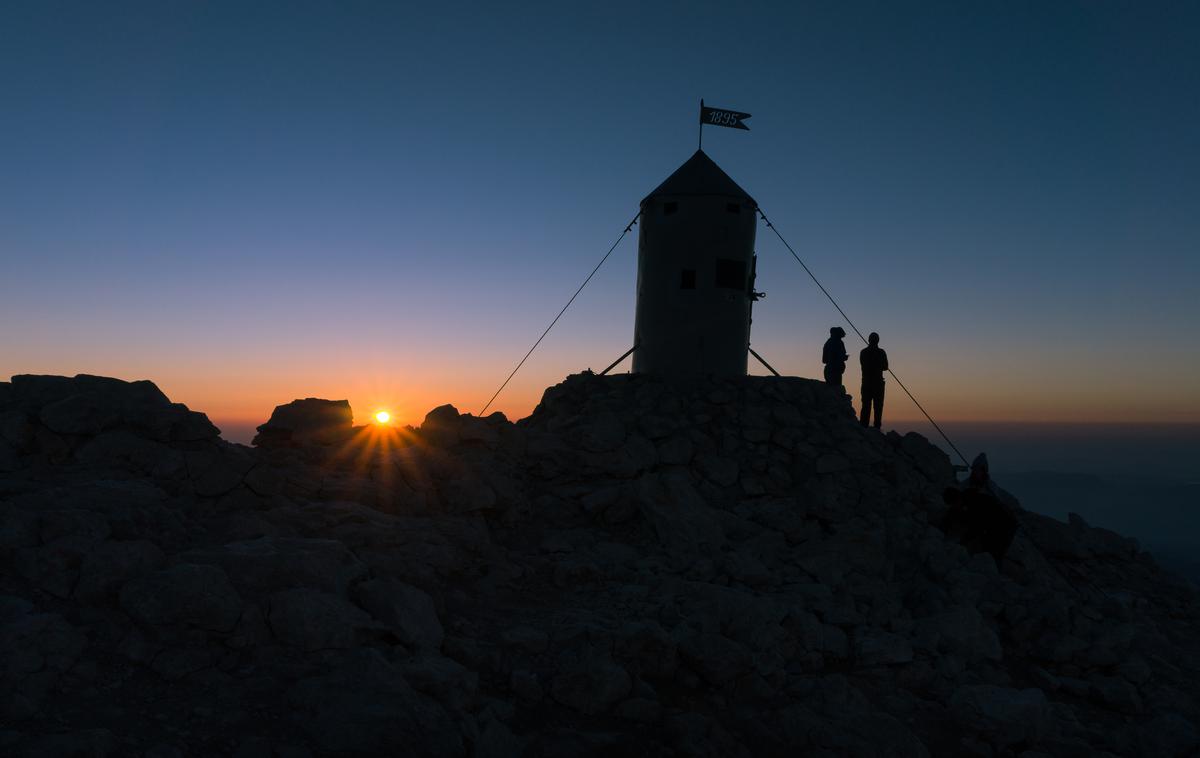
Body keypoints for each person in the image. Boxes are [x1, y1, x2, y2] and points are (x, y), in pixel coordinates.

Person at [941, 453, 1018, 566]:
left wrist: (964, 541)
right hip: (993, 520)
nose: (976, 472)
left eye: (979, 469)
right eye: (975, 469)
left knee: (994, 552)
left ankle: (994, 570)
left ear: (984, 470)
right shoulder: (967, 490)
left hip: (1003, 525)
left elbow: (978, 523)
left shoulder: (986, 491)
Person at [859, 332, 888, 428]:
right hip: (878, 383)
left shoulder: (863, 352)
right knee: (878, 407)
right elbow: (885, 367)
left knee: (866, 406)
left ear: (869, 340)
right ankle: (877, 428)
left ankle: (863, 427)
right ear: (878, 341)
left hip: (866, 383)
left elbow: (863, 365)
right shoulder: (881, 352)